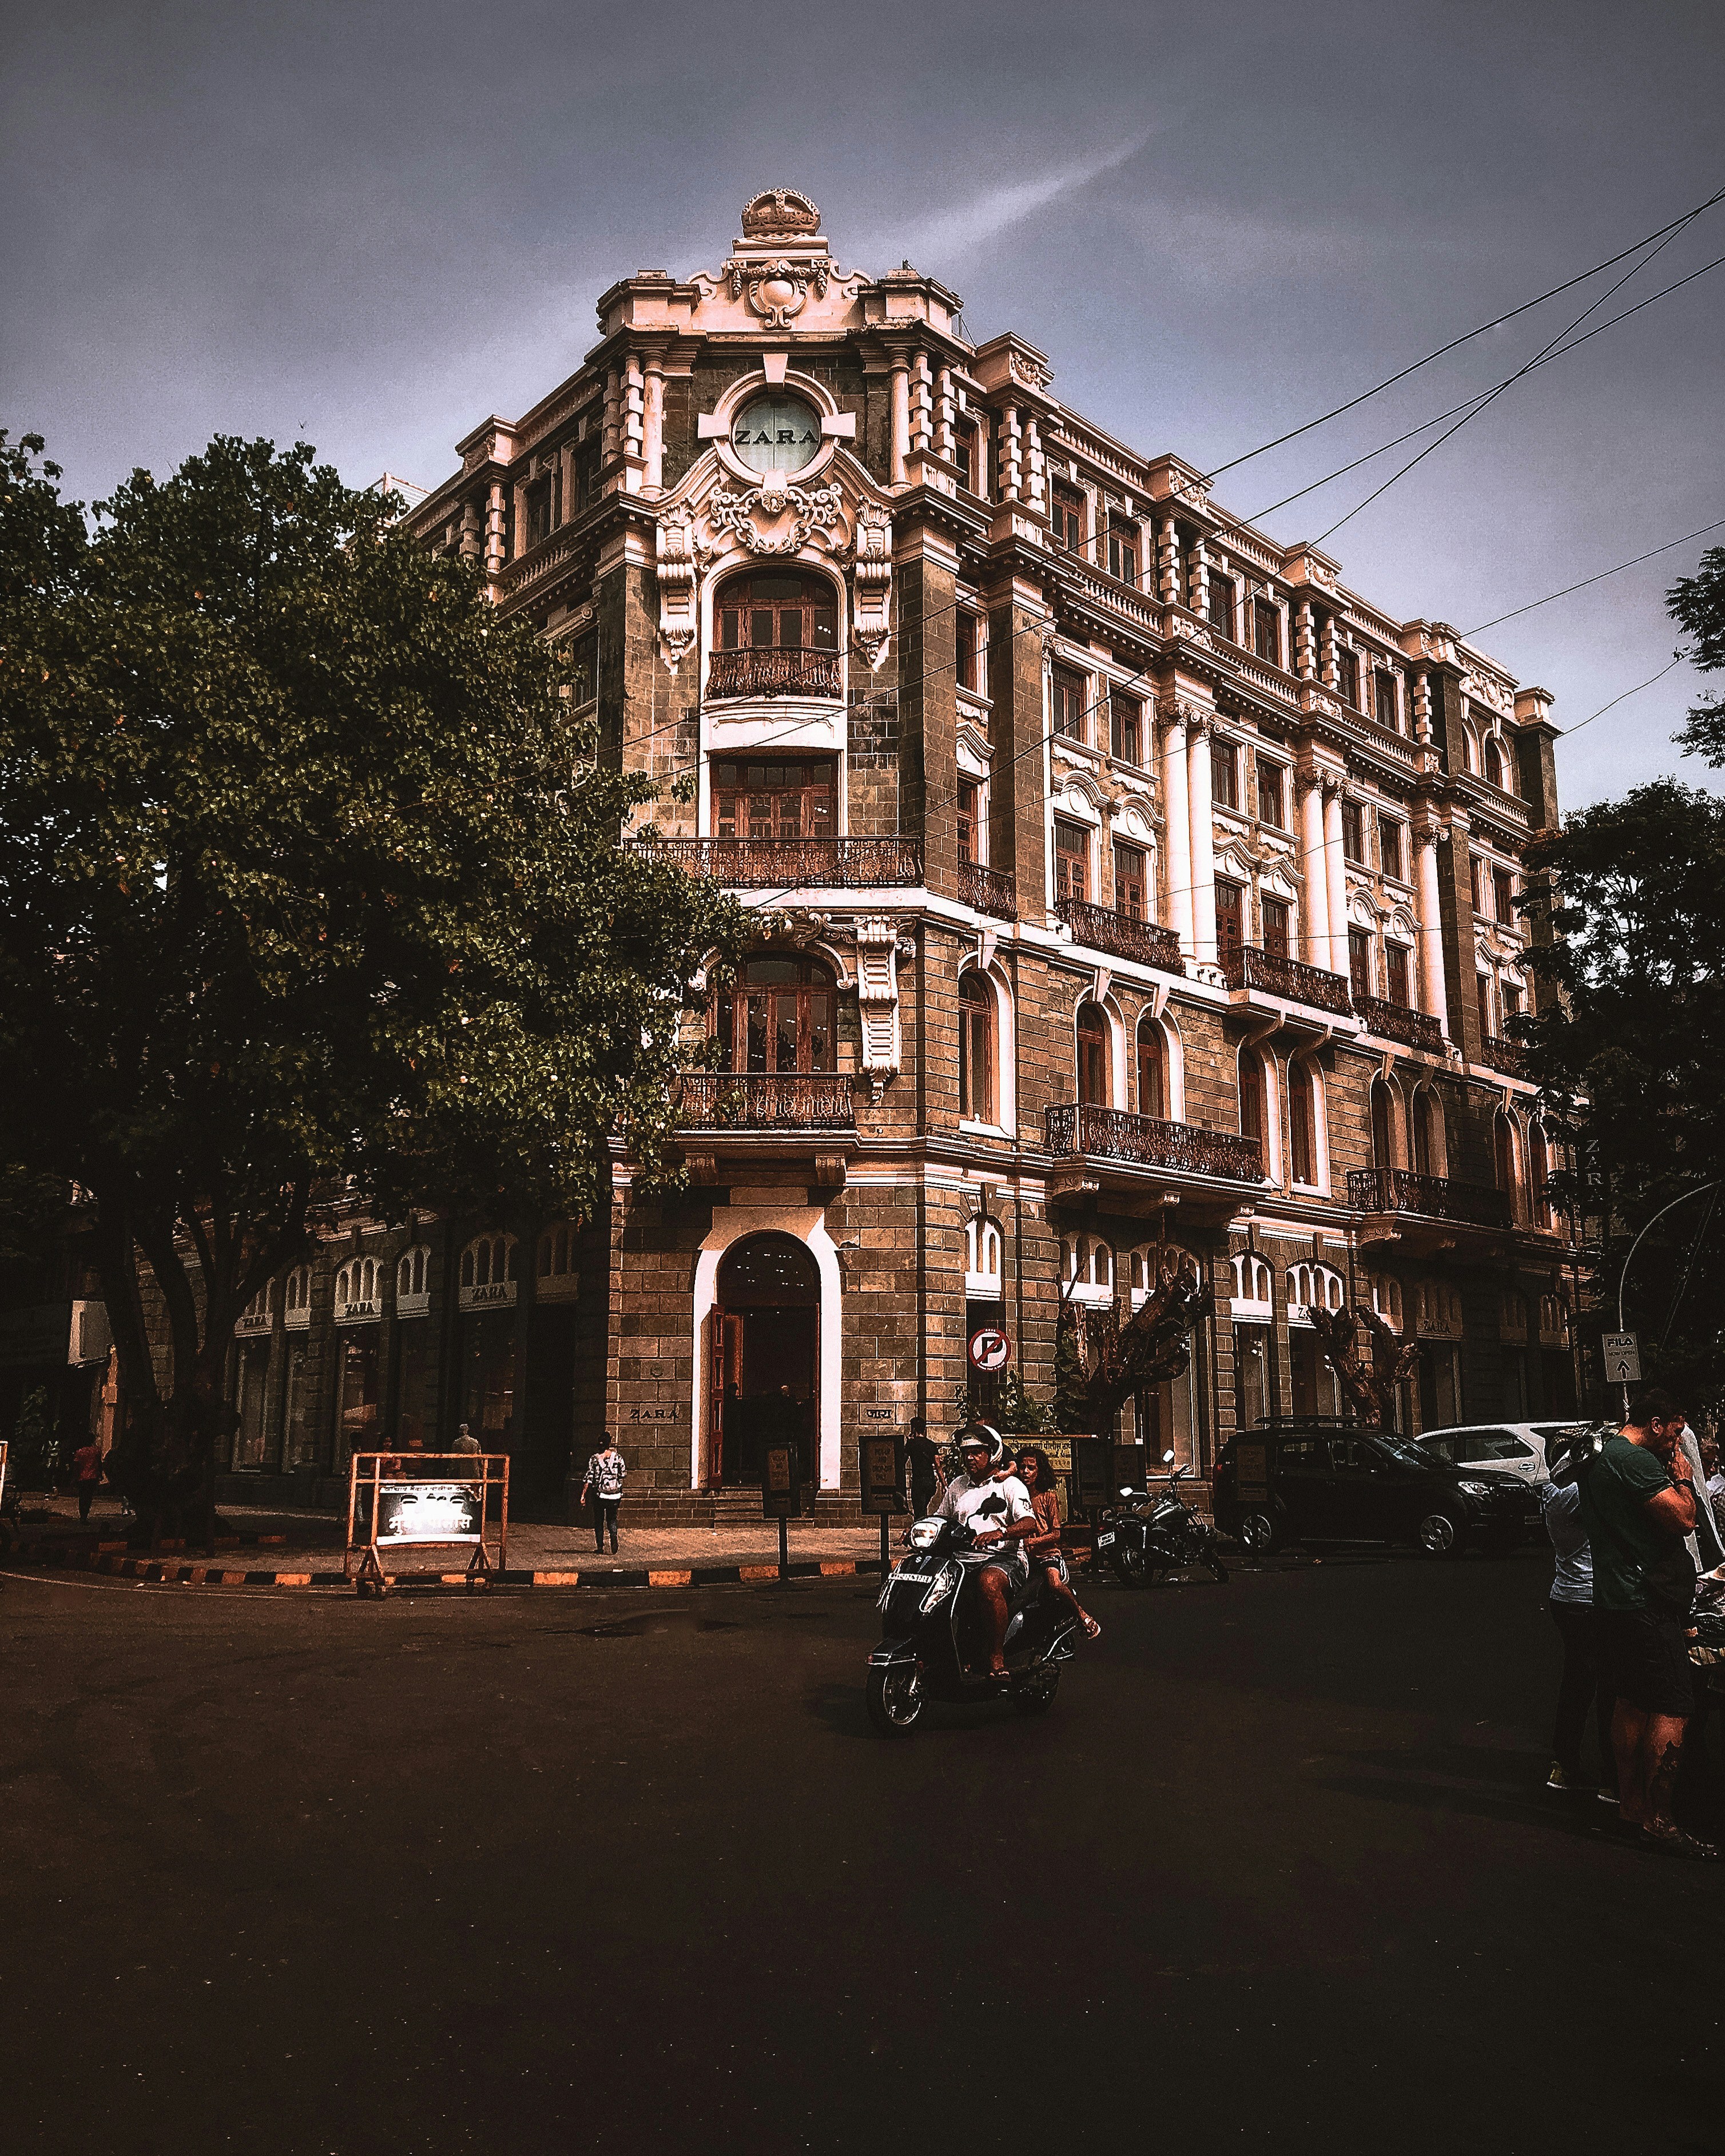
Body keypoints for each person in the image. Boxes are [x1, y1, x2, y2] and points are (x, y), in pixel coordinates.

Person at [1576, 1387, 1715, 1858]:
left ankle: (1630, 1809)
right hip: (1644, 1604)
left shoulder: (1605, 1454)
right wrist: (1685, 1481)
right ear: (1656, 1423)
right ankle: (1659, 1819)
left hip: (1615, 1599)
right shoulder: (1634, 1461)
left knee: (1632, 1701)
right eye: (1675, 1431)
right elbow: (1683, 1520)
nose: (1678, 1443)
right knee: (1673, 1703)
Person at [1539, 1445, 1616, 1803]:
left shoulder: (1553, 1489)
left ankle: (1566, 1762)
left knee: (1577, 1684)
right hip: (1586, 1599)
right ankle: (1609, 1773)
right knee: (1605, 1687)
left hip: (1566, 1597)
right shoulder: (1572, 1494)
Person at [932, 1429, 1038, 1679]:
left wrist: (1001, 1534)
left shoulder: (1011, 1485)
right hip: (963, 1559)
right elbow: (940, 1518)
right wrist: (918, 1529)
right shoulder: (958, 1485)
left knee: (988, 1582)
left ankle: (997, 1655)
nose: (970, 1458)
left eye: (976, 1453)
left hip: (1005, 1559)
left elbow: (1029, 1523)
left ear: (993, 1454)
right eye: (966, 1453)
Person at [1018, 1446, 1101, 1642]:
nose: (1026, 1472)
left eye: (1031, 1468)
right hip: (1023, 1557)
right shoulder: (1015, 1496)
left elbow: (1056, 1534)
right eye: (1022, 1467)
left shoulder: (1049, 1497)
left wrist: (1034, 1541)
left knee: (1054, 1583)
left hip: (1047, 1555)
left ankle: (1082, 1615)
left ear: (1040, 1471)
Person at [579, 1436, 627, 1556]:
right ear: (609, 1444)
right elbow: (623, 1474)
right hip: (615, 1495)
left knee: (599, 1521)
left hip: (599, 1495)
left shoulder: (594, 1459)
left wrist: (583, 1495)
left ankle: (600, 1547)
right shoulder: (618, 1457)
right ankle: (614, 1537)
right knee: (612, 1519)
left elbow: (589, 1478)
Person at [903, 1417, 940, 1521]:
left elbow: (902, 1460)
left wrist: (908, 1443)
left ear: (913, 1429)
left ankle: (920, 1530)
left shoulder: (911, 1444)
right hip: (930, 1482)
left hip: (919, 1481)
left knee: (919, 1512)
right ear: (924, 1429)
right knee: (923, 1508)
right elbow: (938, 1465)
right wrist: (944, 1483)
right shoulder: (931, 1444)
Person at [73, 1437, 104, 1525]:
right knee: (89, 1497)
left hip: (82, 1477)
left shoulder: (80, 1452)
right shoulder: (96, 1451)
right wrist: (100, 1474)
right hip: (93, 1477)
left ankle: (82, 1516)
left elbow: (76, 1466)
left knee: (82, 1497)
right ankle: (85, 1516)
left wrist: (75, 1478)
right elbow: (99, 1463)